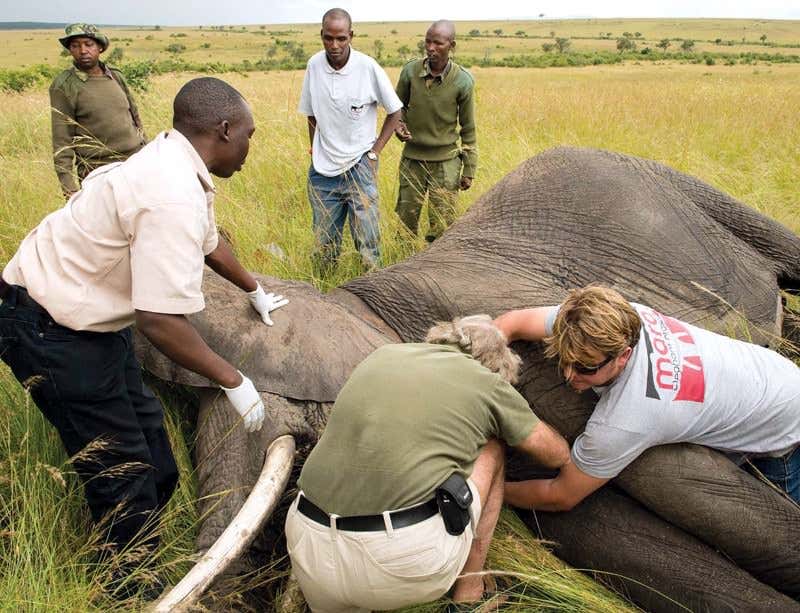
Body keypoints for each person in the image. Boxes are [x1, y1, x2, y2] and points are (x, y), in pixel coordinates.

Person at [0, 77, 288, 594]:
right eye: (249, 135)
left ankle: (136, 554)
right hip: (49, 330)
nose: (250, 146)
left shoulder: (178, 163)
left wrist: (254, 289)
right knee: (123, 475)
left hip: (91, 323)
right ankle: (125, 589)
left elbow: (209, 242)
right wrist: (233, 380)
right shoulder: (169, 193)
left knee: (155, 457)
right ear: (224, 130)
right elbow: (158, 321)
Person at [285, 315, 570, 612]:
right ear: (496, 367)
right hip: (400, 563)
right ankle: (470, 594)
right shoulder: (487, 382)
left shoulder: (384, 355)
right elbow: (555, 454)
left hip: (307, 548)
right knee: (492, 450)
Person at [494, 285, 800, 511]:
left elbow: (561, 496)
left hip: (782, 426)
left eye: (586, 367)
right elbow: (513, 322)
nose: (568, 373)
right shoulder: (607, 319)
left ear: (623, 355)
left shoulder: (628, 418)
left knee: (783, 519)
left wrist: (493, 489)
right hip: (774, 371)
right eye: (563, 357)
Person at [298, 8, 403, 273]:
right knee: (324, 245)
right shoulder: (314, 65)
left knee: (368, 245)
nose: (334, 45)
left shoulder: (367, 67)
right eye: (328, 38)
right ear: (321, 35)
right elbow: (310, 113)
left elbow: (395, 111)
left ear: (351, 36)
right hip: (322, 172)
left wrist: (374, 153)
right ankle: (324, 290)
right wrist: (315, 149)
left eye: (341, 38)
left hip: (360, 166)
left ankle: (371, 291)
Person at [394, 20, 477, 243]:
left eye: (438, 43)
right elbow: (397, 108)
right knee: (405, 223)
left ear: (452, 46)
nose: (431, 48)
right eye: (428, 42)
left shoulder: (463, 81)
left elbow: (468, 127)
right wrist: (399, 126)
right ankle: (404, 262)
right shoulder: (410, 72)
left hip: (446, 164)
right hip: (412, 160)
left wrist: (469, 169)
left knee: (442, 227)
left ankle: (438, 264)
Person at [50, 23, 146, 198]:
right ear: (70, 50)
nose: (83, 51)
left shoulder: (115, 76)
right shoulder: (65, 85)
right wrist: (69, 189)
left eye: (89, 44)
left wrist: (146, 152)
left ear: (100, 47)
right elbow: (61, 140)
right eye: (75, 46)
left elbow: (134, 116)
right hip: (97, 171)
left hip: (135, 163)